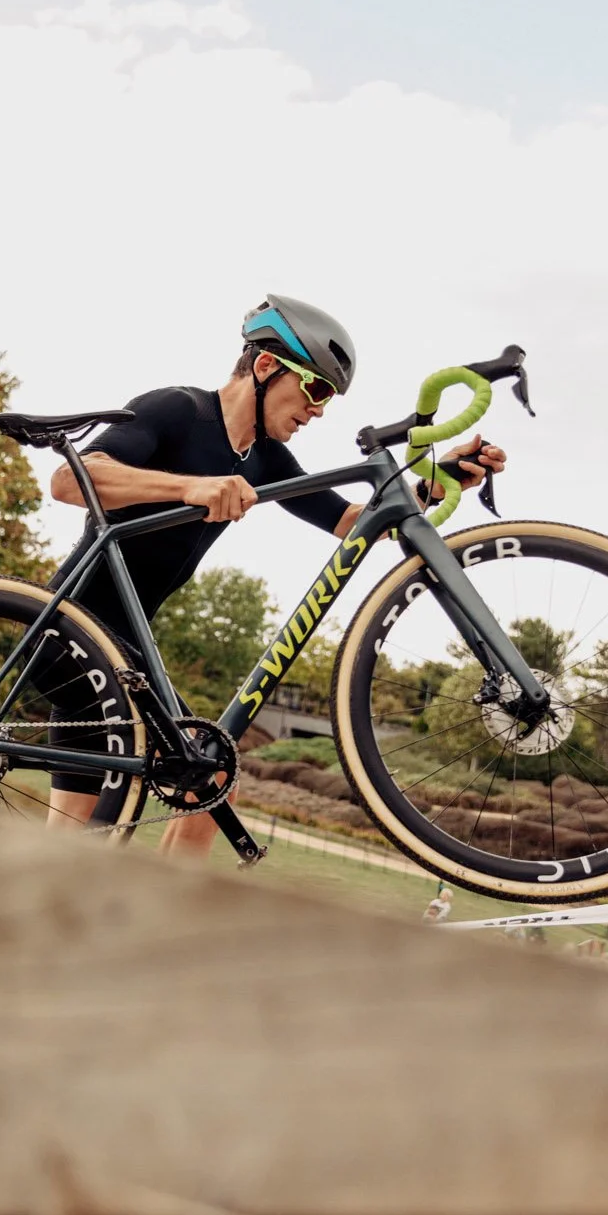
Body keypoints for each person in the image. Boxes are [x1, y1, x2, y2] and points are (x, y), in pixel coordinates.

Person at [43, 294, 505, 857]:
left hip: (124, 650)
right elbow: (70, 481)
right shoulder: (177, 410)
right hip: (74, 633)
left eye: (329, 399)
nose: (319, 410)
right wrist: (188, 486)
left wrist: (438, 481)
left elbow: (350, 522)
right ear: (265, 367)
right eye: (316, 390)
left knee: (191, 784)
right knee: (197, 776)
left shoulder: (261, 457)